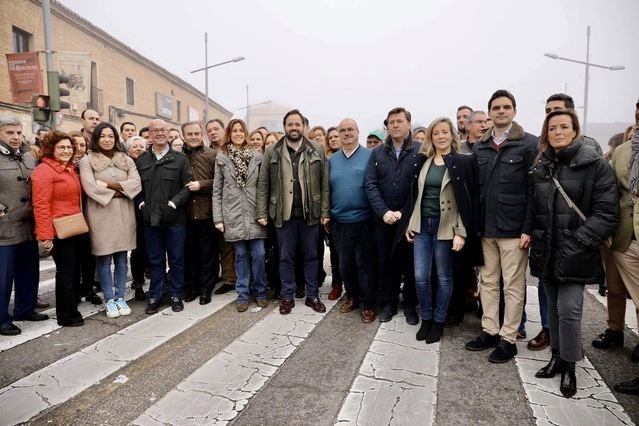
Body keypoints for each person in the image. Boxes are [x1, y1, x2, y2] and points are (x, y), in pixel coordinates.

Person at [529, 109, 618, 398]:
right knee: (553, 308)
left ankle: (569, 365)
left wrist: (577, 241)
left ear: (575, 130)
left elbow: (606, 214)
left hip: (576, 250)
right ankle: (556, 356)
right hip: (547, 249)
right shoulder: (542, 165)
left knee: (569, 309)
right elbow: (535, 208)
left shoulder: (595, 166)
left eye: (564, 127)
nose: (557, 132)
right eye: (552, 127)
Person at [465, 90, 538, 363]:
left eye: (506, 107)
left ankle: (509, 338)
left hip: (513, 231)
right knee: (489, 283)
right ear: (489, 113)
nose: (501, 111)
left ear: (514, 111)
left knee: (514, 286)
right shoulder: (480, 147)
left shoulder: (528, 145)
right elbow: (475, 190)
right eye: (496, 108)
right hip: (486, 229)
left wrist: (527, 228)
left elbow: (534, 191)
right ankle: (489, 331)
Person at [403, 117, 481, 343]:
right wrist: (410, 223)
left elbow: (467, 200)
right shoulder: (423, 161)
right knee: (420, 276)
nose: (441, 136)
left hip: (446, 227)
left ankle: (438, 321)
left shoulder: (461, 162)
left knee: (444, 277)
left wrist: (461, 231)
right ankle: (426, 317)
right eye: (436, 133)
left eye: (445, 132)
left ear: (452, 135)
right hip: (422, 226)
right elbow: (415, 196)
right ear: (431, 137)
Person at [256, 109, 330, 315]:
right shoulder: (273, 150)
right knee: (285, 258)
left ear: (303, 126)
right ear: (285, 127)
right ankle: (287, 296)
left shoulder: (316, 148)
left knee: (312, 257)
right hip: (283, 215)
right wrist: (262, 212)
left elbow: (324, 183)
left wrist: (325, 211)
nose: (294, 128)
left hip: (310, 214)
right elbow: (263, 184)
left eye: (297, 124)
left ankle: (312, 295)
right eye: (290, 124)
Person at [365, 107, 422, 324]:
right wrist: (384, 211)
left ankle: (409, 305)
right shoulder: (378, 152)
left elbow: (422, 187)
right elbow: (370, 184)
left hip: (409, 221)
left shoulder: (420, 150)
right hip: (384, 219)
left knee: (410, 264)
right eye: (391, 122)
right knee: (385, 263)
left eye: (399, 121)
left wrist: (405, 214)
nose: (395, 125)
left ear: (409, 123)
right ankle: (388, 303)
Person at [79, 123, 141, 318]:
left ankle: (120, 296)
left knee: (122, 259)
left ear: (116, 138)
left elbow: (136, 184)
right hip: (100, 214)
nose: (107, 139)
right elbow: (90, 187)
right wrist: (122, 190)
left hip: (124, 214)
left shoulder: (126, 159)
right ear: (96, 139)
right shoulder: (87, 160)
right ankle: (109, 299)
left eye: (111, 136)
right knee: (104, 259)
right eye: (103, 136)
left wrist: (106, 184)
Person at [136, 119, 192, 314]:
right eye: (155, 130)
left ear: (169, 133)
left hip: (175, 220)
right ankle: (156, 295)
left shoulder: (180, 159)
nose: (159, 133)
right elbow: (136, 186)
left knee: (176, 259)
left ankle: (176, 294)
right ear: (149, 135)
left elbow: (187, 186)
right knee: (155, 260)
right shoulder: (142, 160)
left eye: (163, 130)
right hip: (150, 219)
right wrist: (142, 203)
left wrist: (173, 204)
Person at [213, 119, 268, 312]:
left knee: (259, 254)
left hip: (255, 213)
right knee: (241, 255)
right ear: (229, 133)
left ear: (245, 133)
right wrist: (218, 218)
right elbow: (217, 190)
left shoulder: (257, 156)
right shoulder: (222, 157)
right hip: (233, 214)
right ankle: (243, 294)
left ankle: (261, 291)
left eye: (240, 130)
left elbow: (264, 187)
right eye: (234, 130)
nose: (237, 133)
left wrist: (264, 211)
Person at [32, 131, 85, 327]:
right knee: (65, 273)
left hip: (73, 227)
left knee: (71, 272)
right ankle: (66, 315)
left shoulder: (67, 168)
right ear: (51, 149)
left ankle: (71, 309)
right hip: (58, 230)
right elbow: (41, 205)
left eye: (69, 147)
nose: (66, 150)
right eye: (61, 147)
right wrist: (45, 236)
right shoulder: (44, 171)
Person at [0, 115, 46, 336]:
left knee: (29, 272)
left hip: (28, 225)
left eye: (18, 132)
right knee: (3, 277)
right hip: (5, 226)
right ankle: (1, 319)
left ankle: (25, 309)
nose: (16, 137)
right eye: (10, 132)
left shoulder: (28, 156)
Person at [329, 118, 377, 322]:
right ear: (338, 134)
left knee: (365, 264)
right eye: (343, 130)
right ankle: (352, 297)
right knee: (345, 265)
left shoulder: (370, 156)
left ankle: (368, 303)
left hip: (364, 220)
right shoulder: (331, 160)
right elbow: (326, 189)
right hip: (340, 221)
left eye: (350, 129)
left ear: (358, 132)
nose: (347, 133)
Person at [606, 104, 639, 397]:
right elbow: (612, 191)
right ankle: (615, 330)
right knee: (618, 290)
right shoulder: (623, 151)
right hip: (625, 236)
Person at [182, 121, 218, 305]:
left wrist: (202, 184)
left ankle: (206, 289)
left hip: (207, 212)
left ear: (201, 134)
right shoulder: (178, 156)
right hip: (185, 214)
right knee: (189, 254)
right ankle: (191, 287)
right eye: (190, 134)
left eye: (197, 133)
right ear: (184, 136)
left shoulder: (212, 155)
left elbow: (220, 182)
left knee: (207, 255)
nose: (194, 137)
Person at [68, 131, 102, 305]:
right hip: (70, 218)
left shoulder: (90, 164)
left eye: (83, 145)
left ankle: (88, 289)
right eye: (76, 144)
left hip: (90, 215)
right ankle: (74, 292)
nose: (79, 149)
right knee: (72, 259)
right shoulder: (65, 166)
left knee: (89, 257)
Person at [124, 135, 149, 301]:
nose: (139, 149)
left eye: (142, 147)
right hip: (129, 208)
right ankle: (138, 282)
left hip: (146, 209)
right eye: (135, 147)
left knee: (147, 247)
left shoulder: (148, 163)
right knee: (137, 249)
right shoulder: (125, 165)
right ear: (128, 150)